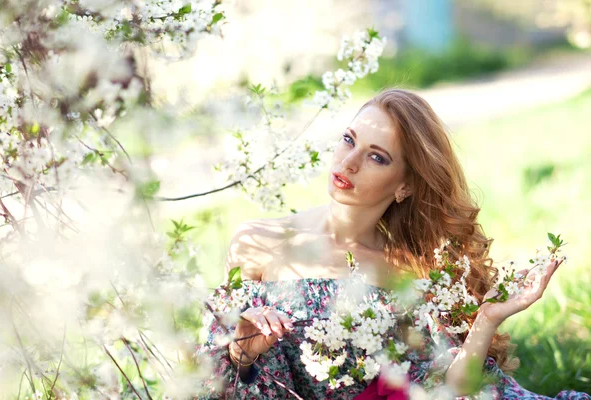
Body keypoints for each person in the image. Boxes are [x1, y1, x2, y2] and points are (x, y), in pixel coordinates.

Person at [196, 89, 590, 399]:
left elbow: (453, 389)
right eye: (348, 139)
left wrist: (487, 319)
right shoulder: (258, 241)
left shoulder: (407, 272)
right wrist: (242, 351)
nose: (348, 163)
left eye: (377, 157)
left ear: (405, 185)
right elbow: (214, 374)